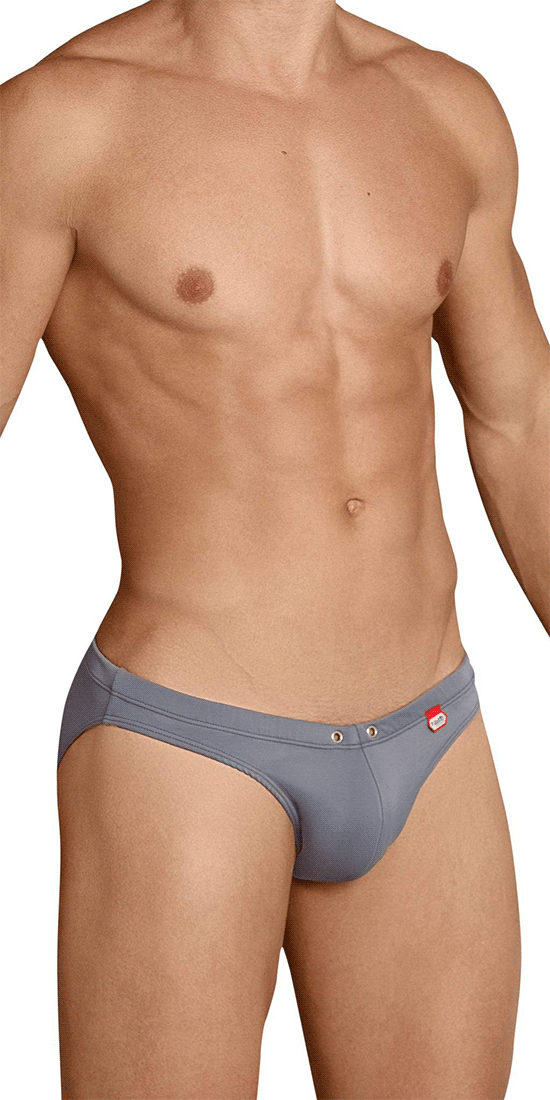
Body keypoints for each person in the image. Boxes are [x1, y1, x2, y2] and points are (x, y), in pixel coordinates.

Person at [1, 2, 548, 1097]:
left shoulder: (446, 106)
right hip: (189, 742)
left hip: (431, 729)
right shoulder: (61, 123)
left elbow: (519, 416)